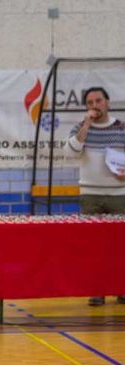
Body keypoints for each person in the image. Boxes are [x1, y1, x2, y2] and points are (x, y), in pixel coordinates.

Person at [66, 86, 125, 306]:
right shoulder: (80, 128)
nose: (95, 106)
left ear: (107, 102)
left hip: (119, 195)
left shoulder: (121, 127)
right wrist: (86, 125)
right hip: (90, 195)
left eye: (98, 101)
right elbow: (70, 153)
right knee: (93, 246)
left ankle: (121, 288)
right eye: (90, 103)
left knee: (120, 246)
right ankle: (97, 290)